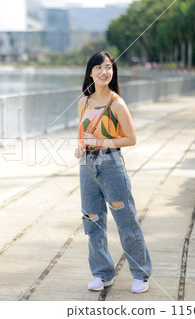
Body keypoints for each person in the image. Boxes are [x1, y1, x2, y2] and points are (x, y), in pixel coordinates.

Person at [74, 51, 152, 294]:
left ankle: (141, 274)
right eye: (99, 67)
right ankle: (102, 273)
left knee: (125, 220)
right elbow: (84, 134)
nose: (104, 71)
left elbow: (131, 138)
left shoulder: (116, 103)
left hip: (111, 166)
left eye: (108, 67)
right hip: (87, 167)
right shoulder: (84, 102)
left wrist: (99, 144)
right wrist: (80, 147)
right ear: (90, 72)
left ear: (113, 72)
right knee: (92, 221)